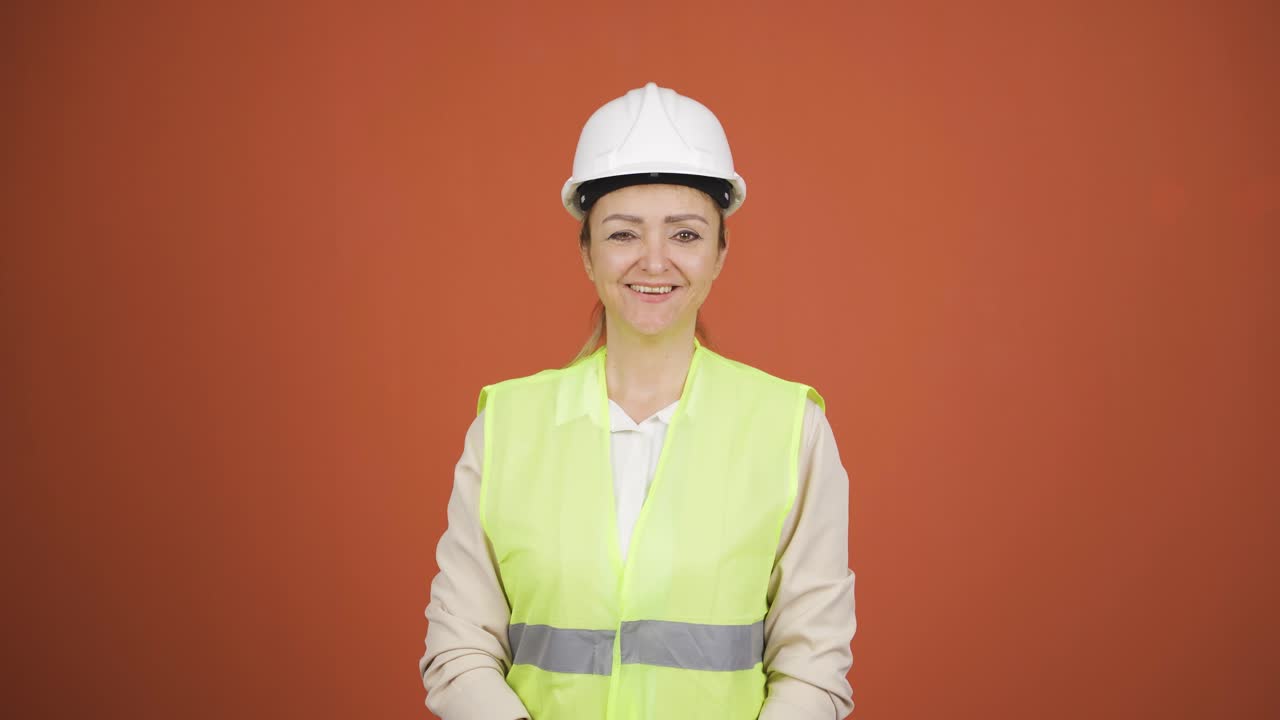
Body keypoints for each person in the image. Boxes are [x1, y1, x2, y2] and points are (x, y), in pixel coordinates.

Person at [419, 81, 857, 720]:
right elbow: (458, 652)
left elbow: (814, 672)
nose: (655, 262)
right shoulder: (506, 426)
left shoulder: (793, 429)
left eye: (685, 235)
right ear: (587, 254)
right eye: (624, 234)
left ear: (719, 254)